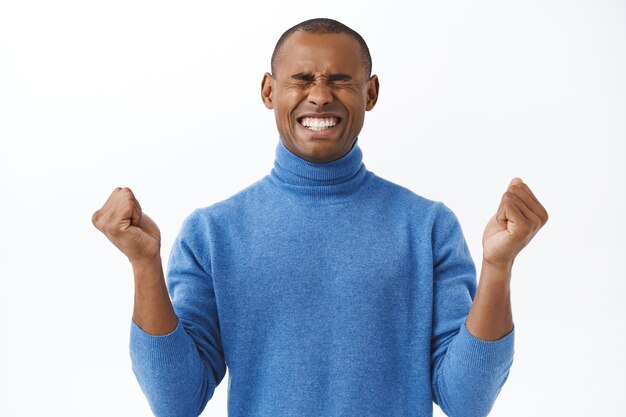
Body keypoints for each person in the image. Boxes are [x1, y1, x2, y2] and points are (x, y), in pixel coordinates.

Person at [92, 18, 548, 417]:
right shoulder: (213, 233)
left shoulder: (427, 226)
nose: (320, 96)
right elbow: (176, 403)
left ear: (370, 93)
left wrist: (498, 267)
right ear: (269, 91)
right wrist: (144, 266)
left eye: (341, 80)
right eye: (302, 79)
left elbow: (466, 402)